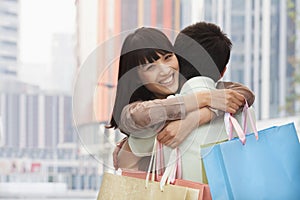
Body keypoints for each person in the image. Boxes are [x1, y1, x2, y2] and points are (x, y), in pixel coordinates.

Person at [108, 27, 253, 171]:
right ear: (137, 78)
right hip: (154, 191)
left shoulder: (190, 86)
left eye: (168, 58)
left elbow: (244, 94)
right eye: (150, 67)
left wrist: (195, 119)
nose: (165, 71)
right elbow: (140, 115)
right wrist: (205, 99)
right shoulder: (137, 111)